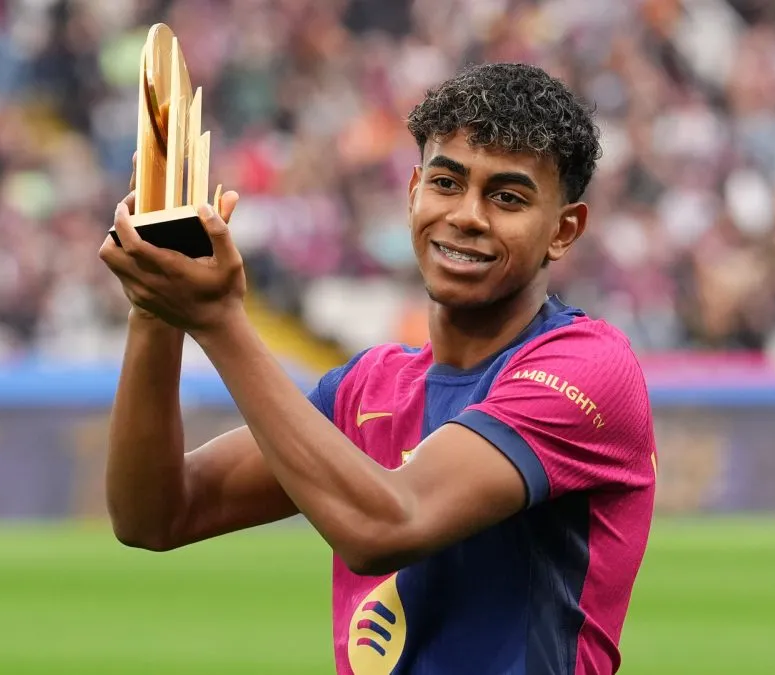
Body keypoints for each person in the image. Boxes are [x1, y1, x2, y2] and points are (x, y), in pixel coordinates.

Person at [99, 62, 657, 675]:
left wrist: (219, 320)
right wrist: (153, 306)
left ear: (564, 229)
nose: (467, 214)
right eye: (447, 182)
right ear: (413, 190)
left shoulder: (587, 367)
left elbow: (387, 527)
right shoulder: (368, 385)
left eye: (507, 197)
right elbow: (155, 513)